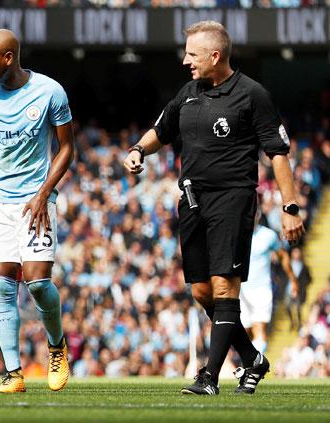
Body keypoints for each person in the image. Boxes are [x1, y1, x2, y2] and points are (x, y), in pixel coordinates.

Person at [123, 21, 305, 395]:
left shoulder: (252, 95)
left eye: (192, 54)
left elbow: (278, 153)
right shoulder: (188, 93)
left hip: (233, 198)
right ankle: (253, 358)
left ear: (214, 55)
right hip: (191, 201)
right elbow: (161, 129)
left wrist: (290, 205)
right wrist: (139, 150)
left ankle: (209, 376)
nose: (186, 61)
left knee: (225, 287)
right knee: (202, 293)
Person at [0, 29, 74, 393]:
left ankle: (57, 347)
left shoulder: (49, 92)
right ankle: (13, 374)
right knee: (2, 287)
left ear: (8, 58)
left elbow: (66, 149)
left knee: (39, 281)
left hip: (36, 199)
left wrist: (45, 193)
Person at [240, 210, 298, 354]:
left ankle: (256, 368)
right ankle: (252, 361)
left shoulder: (268, 236)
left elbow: (283, 256)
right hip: (241, 290)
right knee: (245, 331)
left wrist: (293, 280)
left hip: (262, 289)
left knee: (260, 328)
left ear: (258, 216)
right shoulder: (236, 235)